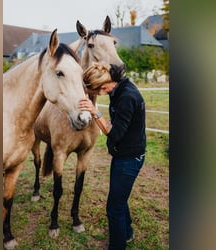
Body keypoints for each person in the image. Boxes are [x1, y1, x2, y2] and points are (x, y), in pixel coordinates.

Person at [79, 63, 146, 250]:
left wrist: (95, 112)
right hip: (123, 155)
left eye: (99, 89)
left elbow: (114, 134)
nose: (99, 93)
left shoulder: (127, 97)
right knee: (119, 198)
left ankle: (118, 246)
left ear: (106, 82)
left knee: (114, 209)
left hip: (129, 160)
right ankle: (127, 232)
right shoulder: (119, 88)